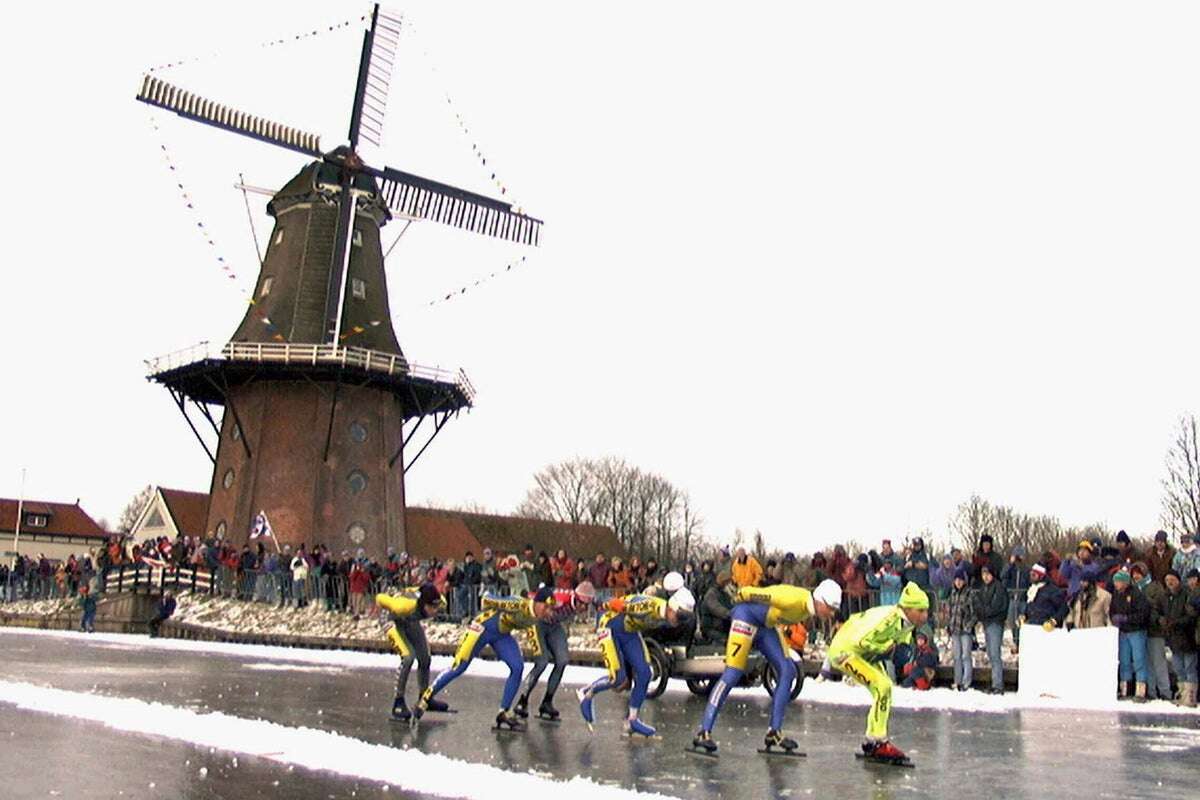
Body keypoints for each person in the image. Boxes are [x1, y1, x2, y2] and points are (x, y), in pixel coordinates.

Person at [691, 580, 841, 756]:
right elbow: (755, 593)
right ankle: (704, 731)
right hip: (745, 617)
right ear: (820, 601)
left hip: (765, 625)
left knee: (787, 670)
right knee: (733, 673)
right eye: (830, 608)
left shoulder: (807, 608)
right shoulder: (793, 599)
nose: (831, 614)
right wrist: (738, 597)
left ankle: (774, 732)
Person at [415, 590, 555, 730]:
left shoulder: (537, 617)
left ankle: (504, 711)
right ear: (537, 602)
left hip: (501, 634)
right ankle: (426, 697)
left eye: (550, 609)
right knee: (459, 667)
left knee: (517, 667)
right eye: (545, 607)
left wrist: (539, 654)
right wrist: (486, 597)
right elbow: (487, 599)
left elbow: (533, 635)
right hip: (482, 628)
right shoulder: (518, 604)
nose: (547, 612)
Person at [827, 582, 930, 765]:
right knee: (881, 686)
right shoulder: (889, 619)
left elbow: (901, 645)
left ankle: (871, 740)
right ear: (908, 608)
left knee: (885, 688)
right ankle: (879, 740)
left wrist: (903, 651)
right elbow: (862, 641)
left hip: (865, 654)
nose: (925, 616)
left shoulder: (907, 623)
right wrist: (888, 650)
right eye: (921, 610)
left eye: (926, 611)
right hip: (845, 651)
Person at [578, 586, 695, 737]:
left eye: (683, 619)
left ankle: (632, 720)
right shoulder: (648, 605)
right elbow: (613, 602)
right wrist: (601, 601)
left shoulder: (668, 616)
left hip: (629, 631)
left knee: (645, 673)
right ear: (672, 607)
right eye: (679, 616)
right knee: (618, 678)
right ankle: (587, 693)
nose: (679, 621)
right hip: (609, 625)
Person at [515, 585, 587, 721]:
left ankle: (547, 702)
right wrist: (526, 594)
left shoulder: (584, 602)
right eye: (582, 605)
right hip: (537, 624)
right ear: (576, 600)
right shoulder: (561, 599)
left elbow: (604, 603)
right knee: (542, 663)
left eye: (586, 606)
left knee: (562, 660)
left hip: (554, 626)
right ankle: (522, 700)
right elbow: (538, 597)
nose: (583, 609)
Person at [377, 583, 444, 721]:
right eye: (431, 607)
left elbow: (419, 589)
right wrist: (390, 598)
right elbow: (379, 598)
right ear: (423, 604)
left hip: (409, 619)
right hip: (392, 618)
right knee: (408, 657)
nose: (434, 611)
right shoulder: (404, 605)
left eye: (436, 607)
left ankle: (424, 698)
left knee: (425, 657)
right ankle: (398, 702)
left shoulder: (440, 600)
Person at [1110, 569, 1151, 702]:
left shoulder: (1137, 594)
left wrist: (1127, 618)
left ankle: (1141, 691)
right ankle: (1125, 689)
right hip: (1123, 632)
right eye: (1115, 581)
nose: (1116, 584)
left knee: (1139, 660)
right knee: (1124, 661)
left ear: (1125, 582)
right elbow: (1112, 610)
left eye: (1118, 581)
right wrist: (1114, 618)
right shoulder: (1116, 595)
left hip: (1136, 631)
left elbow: (1143, 613)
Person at [1133, 562, 1171, 701]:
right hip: (1141, 630)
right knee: (1147, 662)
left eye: (1138, 573)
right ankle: (1151, 690)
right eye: (1134, 574)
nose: (1136, 576)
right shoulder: (1134, 589)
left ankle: (1165, 692)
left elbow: (1160, 605)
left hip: (1155, 630)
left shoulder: (1155, 587)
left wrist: (1145, 601)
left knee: (1159, 662)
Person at [1162, 570, 1197, 707]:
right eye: (1167, 580)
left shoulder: (1187, 594)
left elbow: (1191, 616)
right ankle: (1182, 694)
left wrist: (1176, 622)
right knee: (1178, 668)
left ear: (1178, 580)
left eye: (1172, 579)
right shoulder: (1166, 596)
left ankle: (1191, 697)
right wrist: (1162, 620)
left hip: (1188, 637)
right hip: (1174, 638)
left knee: (1189, 668)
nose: (1169, 583)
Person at [974, 564, 1008, 694]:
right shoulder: (984, 588)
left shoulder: (998, 587)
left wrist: (983, 611)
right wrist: (981, 612)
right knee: (990, 653)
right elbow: (979, 603)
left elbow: (996, 606)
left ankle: (998, 685)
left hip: (995, 622)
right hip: (987, 623)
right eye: (983, 574)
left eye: (987, 574)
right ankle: (995, 682)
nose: (985, 577)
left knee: (995, 653)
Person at [945, 565, 976, 691]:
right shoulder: (952, 594)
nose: (958, 582)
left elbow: (974, 614)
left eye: (960, 580)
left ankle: (966, 681)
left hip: (965, 630)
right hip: (954, 629)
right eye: (956, 580)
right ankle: (957, 680)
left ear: (964, 581)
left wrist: (969, 626)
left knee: (966, 656)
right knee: (956, 656)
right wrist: (948, 625)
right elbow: (950, 612)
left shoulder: (969, 594)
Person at [1001, 546, 1031, 651]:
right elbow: (1003, 577)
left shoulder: (1027, 569)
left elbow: (1030, 583)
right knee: (1012, 621)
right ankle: (1016, 641)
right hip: (1012, 599)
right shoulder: (1009, 569)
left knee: (1022, 622)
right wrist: (1010, 564)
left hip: (1023, 599)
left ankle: (1022, 642)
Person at [1065, 565, 1111, 630]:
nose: (1081, 583)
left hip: (1097, 632)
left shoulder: (1104, 596)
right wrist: (1070, 620)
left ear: (1091, 582)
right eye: (1081, 581)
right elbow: (1071, 611)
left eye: (1084, 581)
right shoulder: (1077, 596)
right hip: (1079, 631)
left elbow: (1108, 615)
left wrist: (1110, 630)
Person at [1023, 563, 1067, 629]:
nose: (1031, 577)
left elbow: (1064, 608)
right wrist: (1024, 616)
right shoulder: (1032, 590)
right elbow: (1030, 606)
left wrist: (1054, 621)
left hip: (1047, 627)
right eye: (1030, 574)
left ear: (1041, 576)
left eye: (1034, 575)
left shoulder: (1052, 590)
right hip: (1032, 626)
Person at [699, 569, 735, 644]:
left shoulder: (726, 594)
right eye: (729, 582)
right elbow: (717, 609)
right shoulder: (712, 594)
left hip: (724, 626)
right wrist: (732, 614)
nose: (731, 585)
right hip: (711, 628)